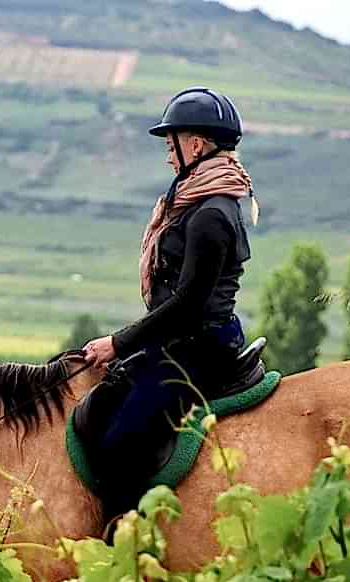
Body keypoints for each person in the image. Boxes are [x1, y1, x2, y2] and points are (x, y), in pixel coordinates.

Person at [81, 86, 259, 518]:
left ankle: (129, 537)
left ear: (194, 144)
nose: (167, 155)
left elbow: (187, 305)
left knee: (119, 443)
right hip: (178, 342)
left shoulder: (211, 214)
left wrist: (118, 343)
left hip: (197, 348)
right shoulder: (197, 203)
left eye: (170, 143)